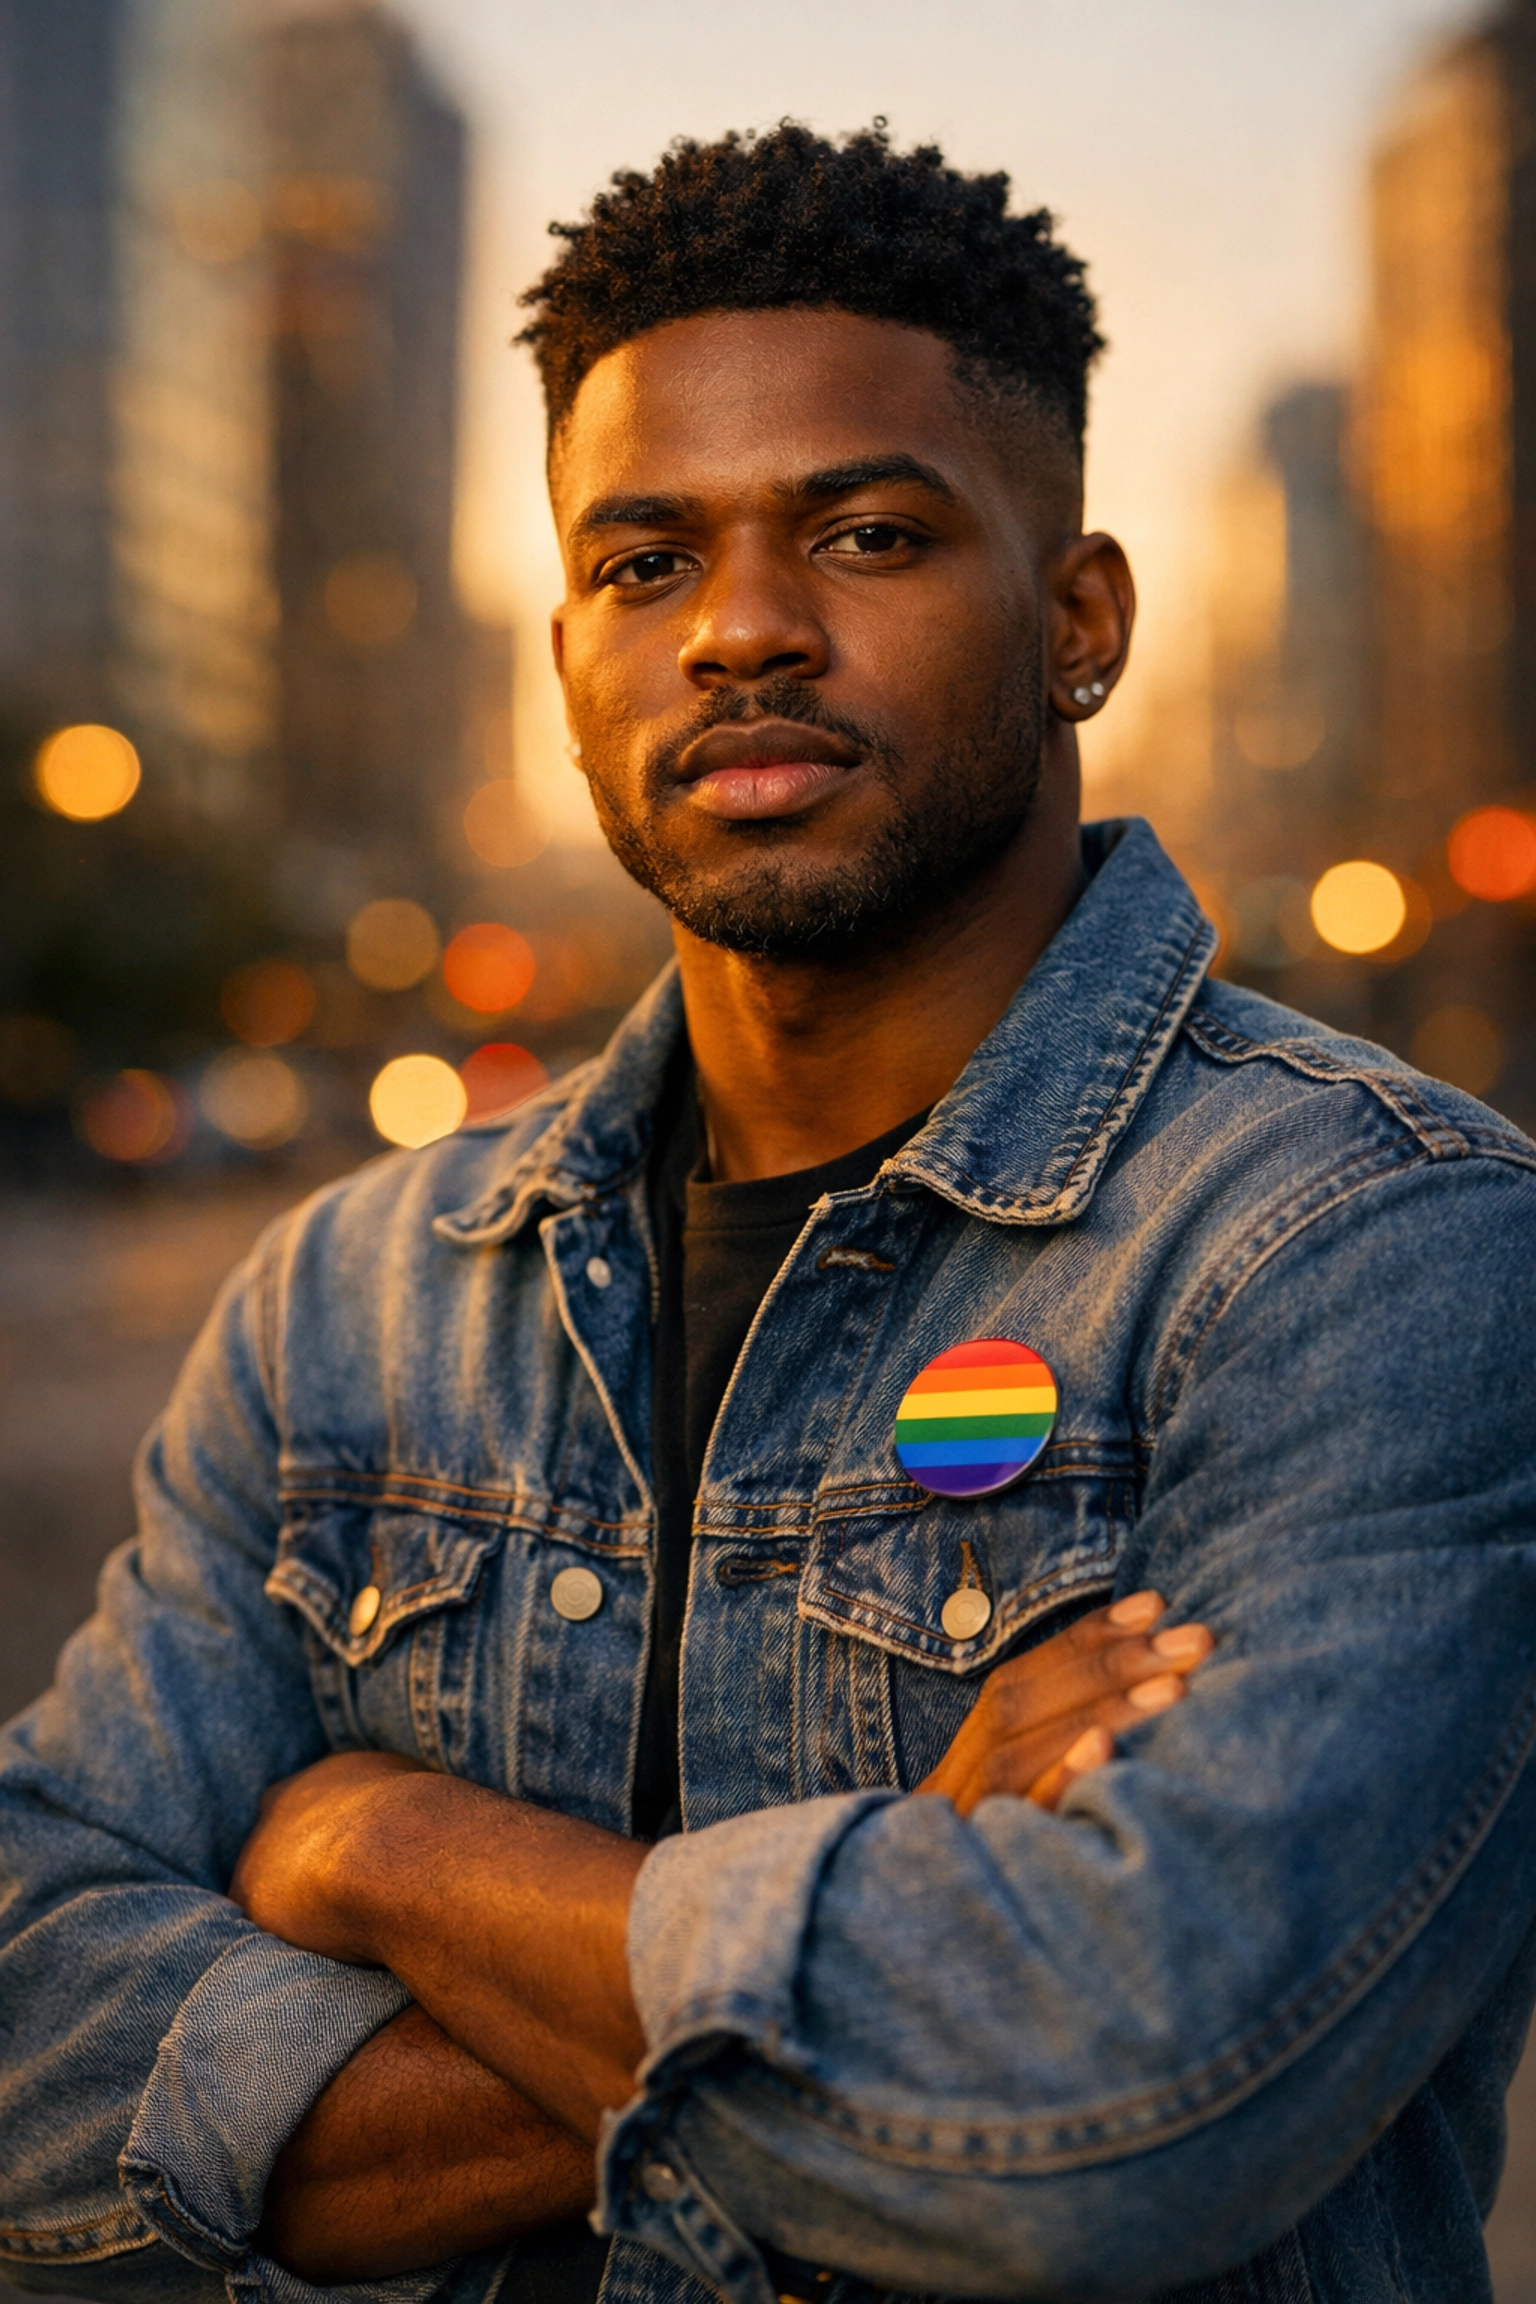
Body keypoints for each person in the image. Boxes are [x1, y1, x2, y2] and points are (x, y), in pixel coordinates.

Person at [3, 121, 1536, 2304]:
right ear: (564, 668)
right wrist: (906, 1918)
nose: (738, 628)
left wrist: (379, 1845)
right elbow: (24, 2035)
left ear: (1079, 619)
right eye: (644, 564)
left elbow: (1100, 2115)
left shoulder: (1379, 1256)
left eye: (870, 531)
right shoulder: (345, 1305)